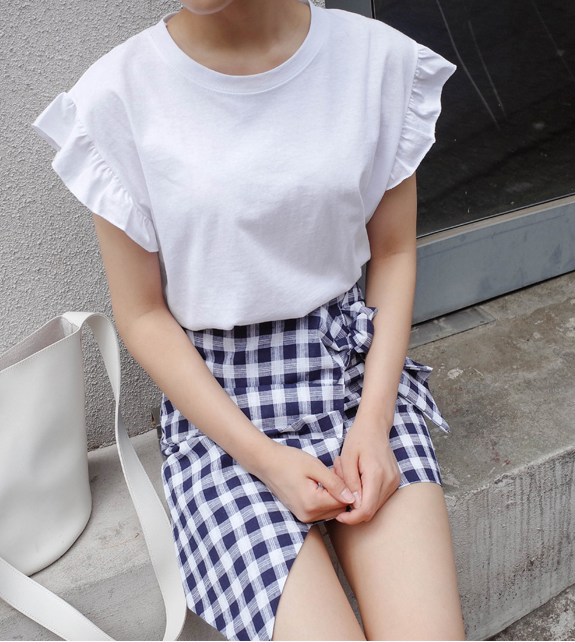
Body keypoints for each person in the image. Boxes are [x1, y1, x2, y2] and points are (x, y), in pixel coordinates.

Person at [31, 0, 465, 639]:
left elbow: (394, 252)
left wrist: (374, 424)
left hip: (355, 379)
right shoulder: (117, 96)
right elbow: (142, 313)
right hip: (223, 417)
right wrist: (264, 458)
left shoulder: (374, 60)